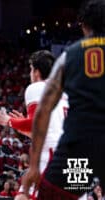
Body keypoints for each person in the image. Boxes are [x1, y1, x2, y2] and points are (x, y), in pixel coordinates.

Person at [22, 0, 105, 199]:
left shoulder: (70, 55)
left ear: (84, 25)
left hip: (81, 151)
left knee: (54, 195)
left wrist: (34, 167)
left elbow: (43, 110)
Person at [0, 50, 68, 198]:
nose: (30, 74)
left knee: (23, 196)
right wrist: (20, 125)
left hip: (53, 156)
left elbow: (34, 124)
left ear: (36, 72)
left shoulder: (37, 87)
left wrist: (8, 121)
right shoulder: (66, 92)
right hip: (77, 157)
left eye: (31, 69)